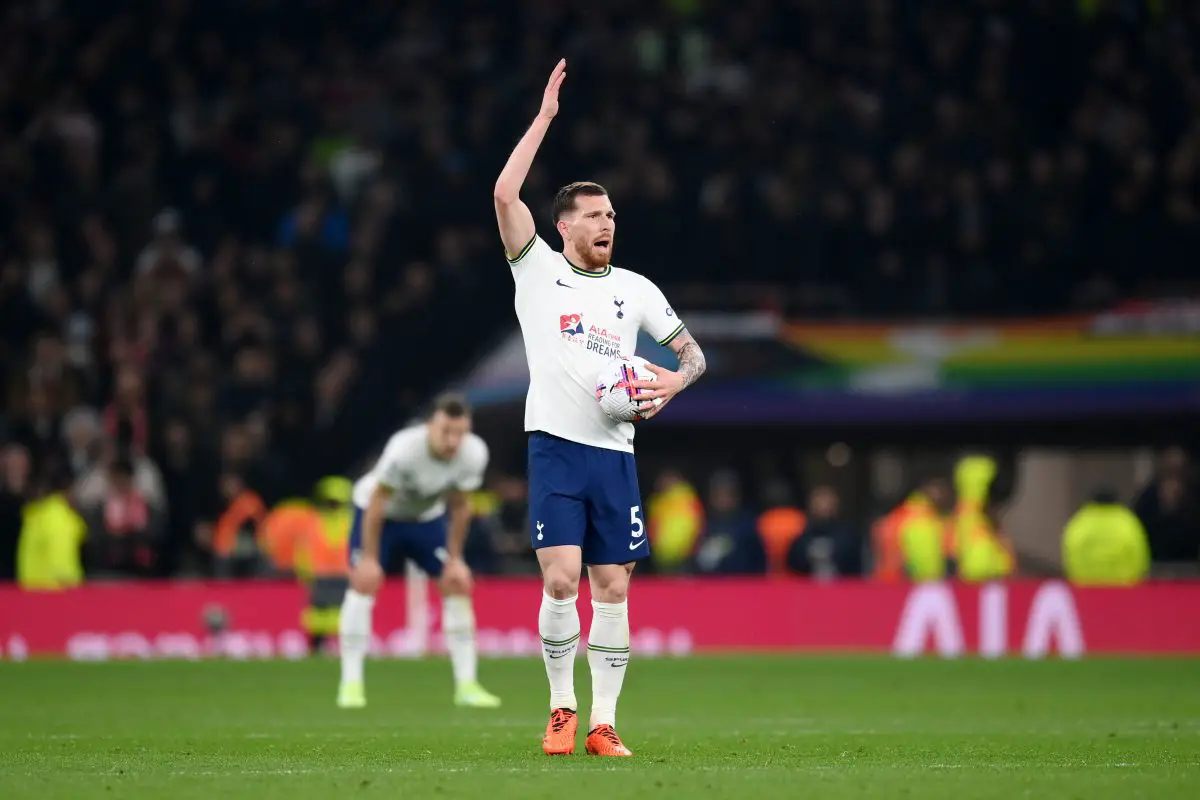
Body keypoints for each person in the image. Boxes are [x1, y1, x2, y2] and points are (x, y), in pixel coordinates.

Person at [492, 59, 707, 757]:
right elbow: (502, 193)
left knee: (613, 587)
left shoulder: (638, 290)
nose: (607, 221)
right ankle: (560, 707)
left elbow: (694, 357)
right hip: (554, 446)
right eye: (593, 214)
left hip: (616, 453)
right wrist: (546, 116)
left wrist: (670, 386)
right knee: (560, 577)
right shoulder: (537, 269)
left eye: (611, 213)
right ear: (563, 226)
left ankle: (604, 723)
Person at [337, 393, 500, 710]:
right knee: (364, 582)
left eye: (460, 433)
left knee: (457, 582)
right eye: (445, 431)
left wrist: (455, 559)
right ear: (430, 426)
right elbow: (376, 501)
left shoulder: (474, 454)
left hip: (424, 519)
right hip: (380, 517)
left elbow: (462, 506)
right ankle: (351, 683)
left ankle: (467, 685)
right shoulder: (405, 449)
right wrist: (369, 559)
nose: (453, 441)